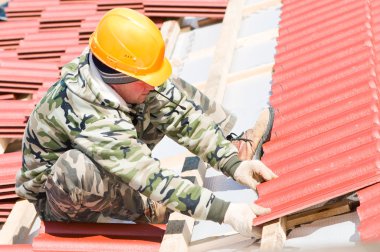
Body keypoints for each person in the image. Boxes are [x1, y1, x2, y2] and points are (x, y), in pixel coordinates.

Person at [15, 8, 277, 238]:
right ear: (114, 76)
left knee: (163, 91)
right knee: (77, 168)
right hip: (64, 201)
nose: (149, 83)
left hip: (114, 158)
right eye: (141, 77)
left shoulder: (121, 75)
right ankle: (145, 206)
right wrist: (227, 212)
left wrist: (232, 163)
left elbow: (182, 116)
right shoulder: (87, 113)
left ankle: (234, 147)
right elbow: (147, 175)